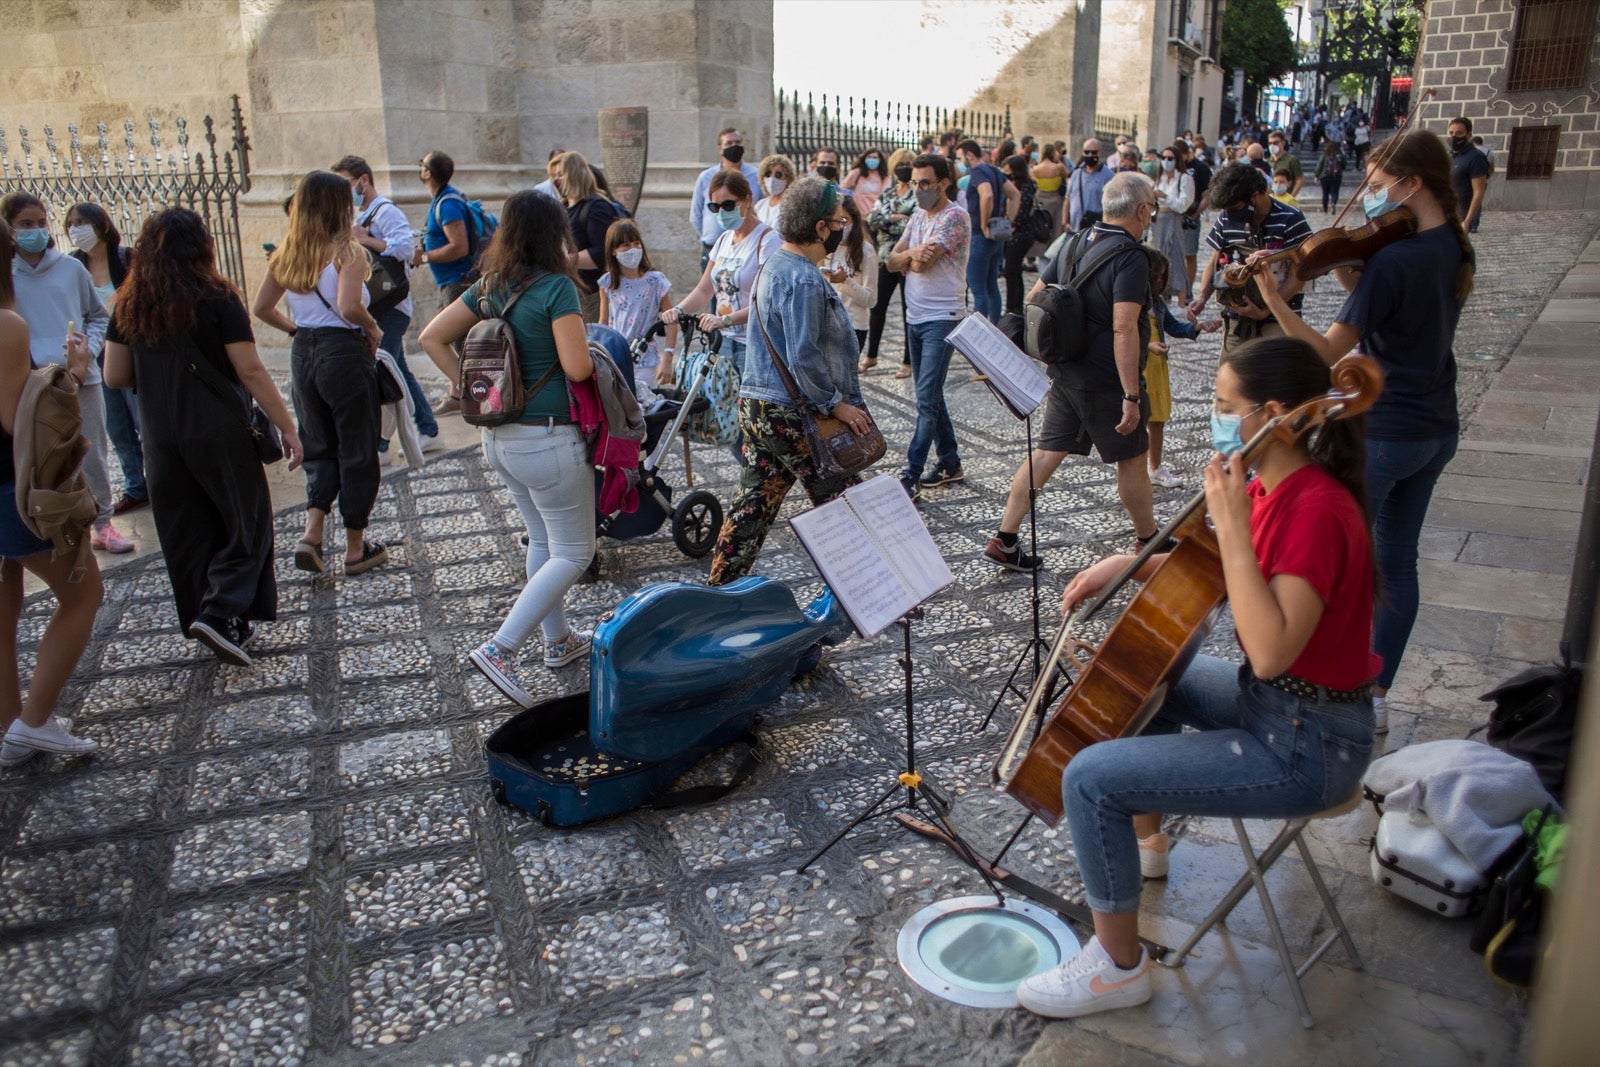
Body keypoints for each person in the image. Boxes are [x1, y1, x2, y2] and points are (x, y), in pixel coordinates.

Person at [1016, 337, 1378, 1020]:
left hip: (1311, 744)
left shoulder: (1317, 511)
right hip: (1275, 706)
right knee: (1155, 671)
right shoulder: (1270, 483)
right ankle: (1146, 843)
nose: (1212, 418)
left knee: (1090, 778)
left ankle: (1118, 968)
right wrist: (1124, 562)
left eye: (1222, 406)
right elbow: (1210, 570)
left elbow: (1270, 649)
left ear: (1273, 413)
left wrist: (1235, 527)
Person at [1249, 129, 1474, 736]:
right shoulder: (1451, 244)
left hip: (1386, 430)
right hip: (1436, 427)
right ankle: (1374, 697)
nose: (1371, 200)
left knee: (1338, 565)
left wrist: (1275, 298)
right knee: (1398, 561)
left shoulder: (1395, 259)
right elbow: (1385, 309)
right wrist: (1351, 263)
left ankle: (1326, 698)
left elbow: (1325, 353)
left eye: (1376, 187)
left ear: (1412, 184)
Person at [103, 208, 302, 666]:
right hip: (217, 428)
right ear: (202, 246)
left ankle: (220, 620)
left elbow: (115, 376)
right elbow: (249, 369)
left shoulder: (129, 302)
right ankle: (220, 611)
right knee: (244, 519)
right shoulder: (216, 298)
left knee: (187, 527)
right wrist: (288, 428)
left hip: (159, 433)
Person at [419, 191, 597, 703]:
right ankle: (501, 647)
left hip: (497, 439)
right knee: (575, 551)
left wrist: (467, 386)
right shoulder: (557, 289)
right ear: (552, 234)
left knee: (542, 539)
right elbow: (578, 368)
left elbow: (431, 337)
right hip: (547, 438)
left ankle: (558, 640)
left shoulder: (490, 286)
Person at [985, 173, 1160, 571]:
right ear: (1142, 210)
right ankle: (1148, 541)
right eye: (1152, 206)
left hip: (1066, 372)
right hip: (1106, 379)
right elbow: (1123, 326)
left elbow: (1034, 297)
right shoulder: (1132, 257)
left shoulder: (1074, 241)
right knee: (1132, 459)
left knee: (1046, 453)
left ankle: (1005, 538)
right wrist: (1131, 395)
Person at [706, 177, 870, 585]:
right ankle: (872, 591)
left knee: (753, 506)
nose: (842, 226)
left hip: (759, 406)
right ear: (819, 228)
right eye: (837, 220)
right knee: (849, 504)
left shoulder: (774, 265)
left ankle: (719, 591)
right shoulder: (803, 278)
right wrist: (835, 403)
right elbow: (804, 355)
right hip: (791, 412)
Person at [0, 219, 105, 766]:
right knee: (83, 595)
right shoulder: (7, 325)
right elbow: (21, 422)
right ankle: (34, 722)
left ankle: (12, 725)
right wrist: (68, 371)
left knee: (5, 602)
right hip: (10, 487)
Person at [253, 170, 389, 579]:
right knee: (357, 447)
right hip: (343, 353)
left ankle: (311, 533)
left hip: (304, 353)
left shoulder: (287, 253)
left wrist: (297, 329)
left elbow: (261, 308)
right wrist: (373, 326)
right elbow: (349, 307)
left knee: (318, 443)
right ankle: (353, 547)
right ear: (337, 206)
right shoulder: (348, 252)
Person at [1, 193, 129, 554]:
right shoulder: (7, 277)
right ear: (10, 228)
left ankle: (102, 523)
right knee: (42, 455)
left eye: (41, 222)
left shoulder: (71, 269)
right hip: (30, 383)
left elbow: (99, 315)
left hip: (79, 377)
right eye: (26, 224)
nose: (36, 230)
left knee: (92, 451)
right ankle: (55, 522)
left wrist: (87, 351)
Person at [332, 154, 440, 453]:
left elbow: (406, 249)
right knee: (397, 370)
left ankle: (378, 446)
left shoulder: (385, 211)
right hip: (379, 306)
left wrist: (365, 240)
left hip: (391, 306)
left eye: (347, 183)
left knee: (380, 372)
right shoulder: (363, 215)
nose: (345, 191)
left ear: (363, 181)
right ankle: (429, 429)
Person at [662, 171, 781, 417]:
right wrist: (679, 309)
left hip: (754, 342)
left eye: (728, 204)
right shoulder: (724, 239)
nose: (721, 212)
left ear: (747, 200)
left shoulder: (767, 240)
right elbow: (705, 288)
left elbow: (768, 300)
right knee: (725, 415)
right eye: (715, 206)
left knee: (753, 416)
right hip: (723, 341)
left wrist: (725, 319)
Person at [886, 154, 971, 498]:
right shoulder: (920, 215)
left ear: (943, 184)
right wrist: (910, 255)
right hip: (914, 316)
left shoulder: (954, 217)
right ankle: (950, 461)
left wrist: (910, 257)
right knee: (931, 394)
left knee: (925, 398)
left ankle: (912, 472)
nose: (918, 190)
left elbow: (922, 265)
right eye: (914, 183)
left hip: (942, 317)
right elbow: (891, 260)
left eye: (925, 184)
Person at [65, 201, 147, 514]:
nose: (76, 228)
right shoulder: (73, 266)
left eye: (83, 221)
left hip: (129, 351)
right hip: (95, 356)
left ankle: (157, 482)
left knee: (142, 419)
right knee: (117, 427)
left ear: (101, 224)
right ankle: (136, 486)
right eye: (71, 223)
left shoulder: (126, 259)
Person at [1187, 164, 1312, 355]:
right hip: (1238, 317)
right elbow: (1215, 262)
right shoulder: (1226, 219)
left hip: (1280, 318)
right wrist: (1202, 297)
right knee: (1232, 380)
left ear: (1255, 195)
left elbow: (1300, 274)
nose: (1231, 215)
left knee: (1272, 378)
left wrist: (1268, 309)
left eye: (1235, 208)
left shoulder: (1291, 219)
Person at [1144, 256, 1221, 489]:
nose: (1160, 280)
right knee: (1137, 417)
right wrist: (1147, 346)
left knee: (1158, 417)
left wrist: (1198, 326)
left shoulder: (1156, 302)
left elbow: (1174, 327)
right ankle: (1134, 469)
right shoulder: (1130, 301)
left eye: (1163, 276)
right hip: (1139, 362)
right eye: (1156, 275)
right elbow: (1119, 333)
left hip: (1158, 364)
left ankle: (1154, 468)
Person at [412, 150, 479, 417]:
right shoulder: (443, 200)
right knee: (453, 339)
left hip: (458, 282)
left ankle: (474, 394)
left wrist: (425, 257)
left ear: (428, 173)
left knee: (455, 339)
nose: (420, 169)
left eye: (422, 164)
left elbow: (459, 247)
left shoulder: (448, 204)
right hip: (450, 282)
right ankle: (458, 392)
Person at [597, 218, 678, 394]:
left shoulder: (655, 281)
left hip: (645, 359)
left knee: (645, 406)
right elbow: (603, 322)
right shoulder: (608, 283)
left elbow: (671, 319)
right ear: (613, 250)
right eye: (625, 245)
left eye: (636, 243)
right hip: (616, 357)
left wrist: (668, 356)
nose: (632, 249)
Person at [864, 148, 918, 377]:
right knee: (877, 308)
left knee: (908, 309)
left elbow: (914, 223)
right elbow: (871, 219)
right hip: (885, 257)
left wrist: (887, 222)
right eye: (901, 163)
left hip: (907, 258)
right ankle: (871, 355)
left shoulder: (917, 194)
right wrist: (894, 219)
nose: (904, 167)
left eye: (909, 163)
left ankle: (908, 360)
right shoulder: (887, 194)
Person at [958, 139, 1020, 323]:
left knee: (979, 289)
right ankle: (995, 327)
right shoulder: (994, 170)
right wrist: (1008, 221)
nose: (960, 161)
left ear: (969, 155)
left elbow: (987, 194)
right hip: (996, 236)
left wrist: (984, 224)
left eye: (961, 157)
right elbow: (1015, 194)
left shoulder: (977, 172)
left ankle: (981, 331)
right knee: (992, 286)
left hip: (980, 235)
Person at [556, 151, 622, 324]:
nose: (557, 181)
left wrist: (565, 260)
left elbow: (602, 252)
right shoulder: (564, 207)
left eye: (560, 175)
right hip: (571, 291)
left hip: (592, 294)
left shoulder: (596, 207)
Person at [691, 128, 761, 274]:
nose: (734, 146)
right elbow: (696, 214)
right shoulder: (706, 177)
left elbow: (760, 209)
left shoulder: (755, 176)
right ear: (720, 149)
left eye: (737, 142)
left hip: (746, 247)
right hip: (712, 247)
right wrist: (712, 234)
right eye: (729, 143)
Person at [823, 196, 878, 356]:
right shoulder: (827, 249)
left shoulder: (866, 252)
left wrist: (845, 281)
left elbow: (871, 299)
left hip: (853, 325)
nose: (840, 226)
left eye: (844, 220)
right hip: (826, 325)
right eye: (836, 221)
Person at [1151, 145, 1193, 304]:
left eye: (1170, 158)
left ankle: (1182, 300)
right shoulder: (1159, 178)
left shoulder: (1184, 178)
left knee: (1176, 257)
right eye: (1163, 158)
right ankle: (1160, 295)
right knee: (1158, 259)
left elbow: (1183, 204)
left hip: (1174, 219)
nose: (1166, 161)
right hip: (1158, 220)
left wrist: (1165, 196)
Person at [1001, 153, 1040, 316]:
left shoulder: (1024, 187)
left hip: (1020, 234)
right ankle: (1015, 306)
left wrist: (1012, 227)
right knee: (1015, 270)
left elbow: (1022, 212)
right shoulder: (1021, 185)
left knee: (1011, 269)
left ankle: (1013, 306)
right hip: (1019, 233)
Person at [1178, 140, 1214, 287]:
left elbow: (1208, 193)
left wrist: (1197, 212)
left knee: (1189, 254)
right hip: (1175, 215)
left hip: (1192, 215)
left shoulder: (1201, 168)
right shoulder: (1176, 166)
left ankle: (1188, 288)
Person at [1448, 117, 1489, 234]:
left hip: (1461, 216)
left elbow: (1479, 192)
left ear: (1468, 134)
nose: (1454, 136)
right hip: (1445, 214)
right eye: (1451, 133)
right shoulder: (1449, 155)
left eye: (1459, 133)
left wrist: (1467, 221)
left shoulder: (1476, 157)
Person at [1030, 143, 1069, 262]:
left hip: (1040, 198)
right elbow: (1067, 174)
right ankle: (1054, 252)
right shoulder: (1058, 167)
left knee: (1040, 226)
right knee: (1056, 228)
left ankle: (1039, 252)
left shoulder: (1035, 169)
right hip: (1055, 199)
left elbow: (1033, 180)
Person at [1065, 138, 1111, 231]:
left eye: (1094, 152)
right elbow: (1068, 199)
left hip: (1096, 227)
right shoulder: (1076, 173)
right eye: (1087, 152)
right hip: (1074, 227)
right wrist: (1065, 222)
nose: (1090, 155)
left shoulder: (1108, 175)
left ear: (1100, 152)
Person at [841, 147, 889, 215]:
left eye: (875, 158)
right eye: (869, 157)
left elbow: (885, 194)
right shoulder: (857, 172)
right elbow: (843, 187)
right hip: (858, 214)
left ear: (880, 160)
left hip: (875, 215)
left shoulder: (883, 176)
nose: (872, 159)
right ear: (865, 159)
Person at [753, 154, 797, 227]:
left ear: (788, 178)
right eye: (768, 174)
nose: (772, 178)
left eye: (778, 175)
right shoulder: (759, 205)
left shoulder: (792, 206)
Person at [1268, 131, 1304, 197]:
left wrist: (1292, 197)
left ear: (1283, 143)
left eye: (1275, 143)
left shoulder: (1292, 160)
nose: (1272, 146)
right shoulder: (1268, 161)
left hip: (1286, 198)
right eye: (1270, 143)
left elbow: (1300, 179)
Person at [1316, 139, 1347, 213]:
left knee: (1325, 192)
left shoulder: (1324, 155)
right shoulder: (1340, 155)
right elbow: (1345, 164)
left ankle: (1325, 208)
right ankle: (1333, 203)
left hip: (1325, 176)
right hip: (1337, 176)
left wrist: (1316, 175)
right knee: (1335, 191)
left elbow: (1319, 165)